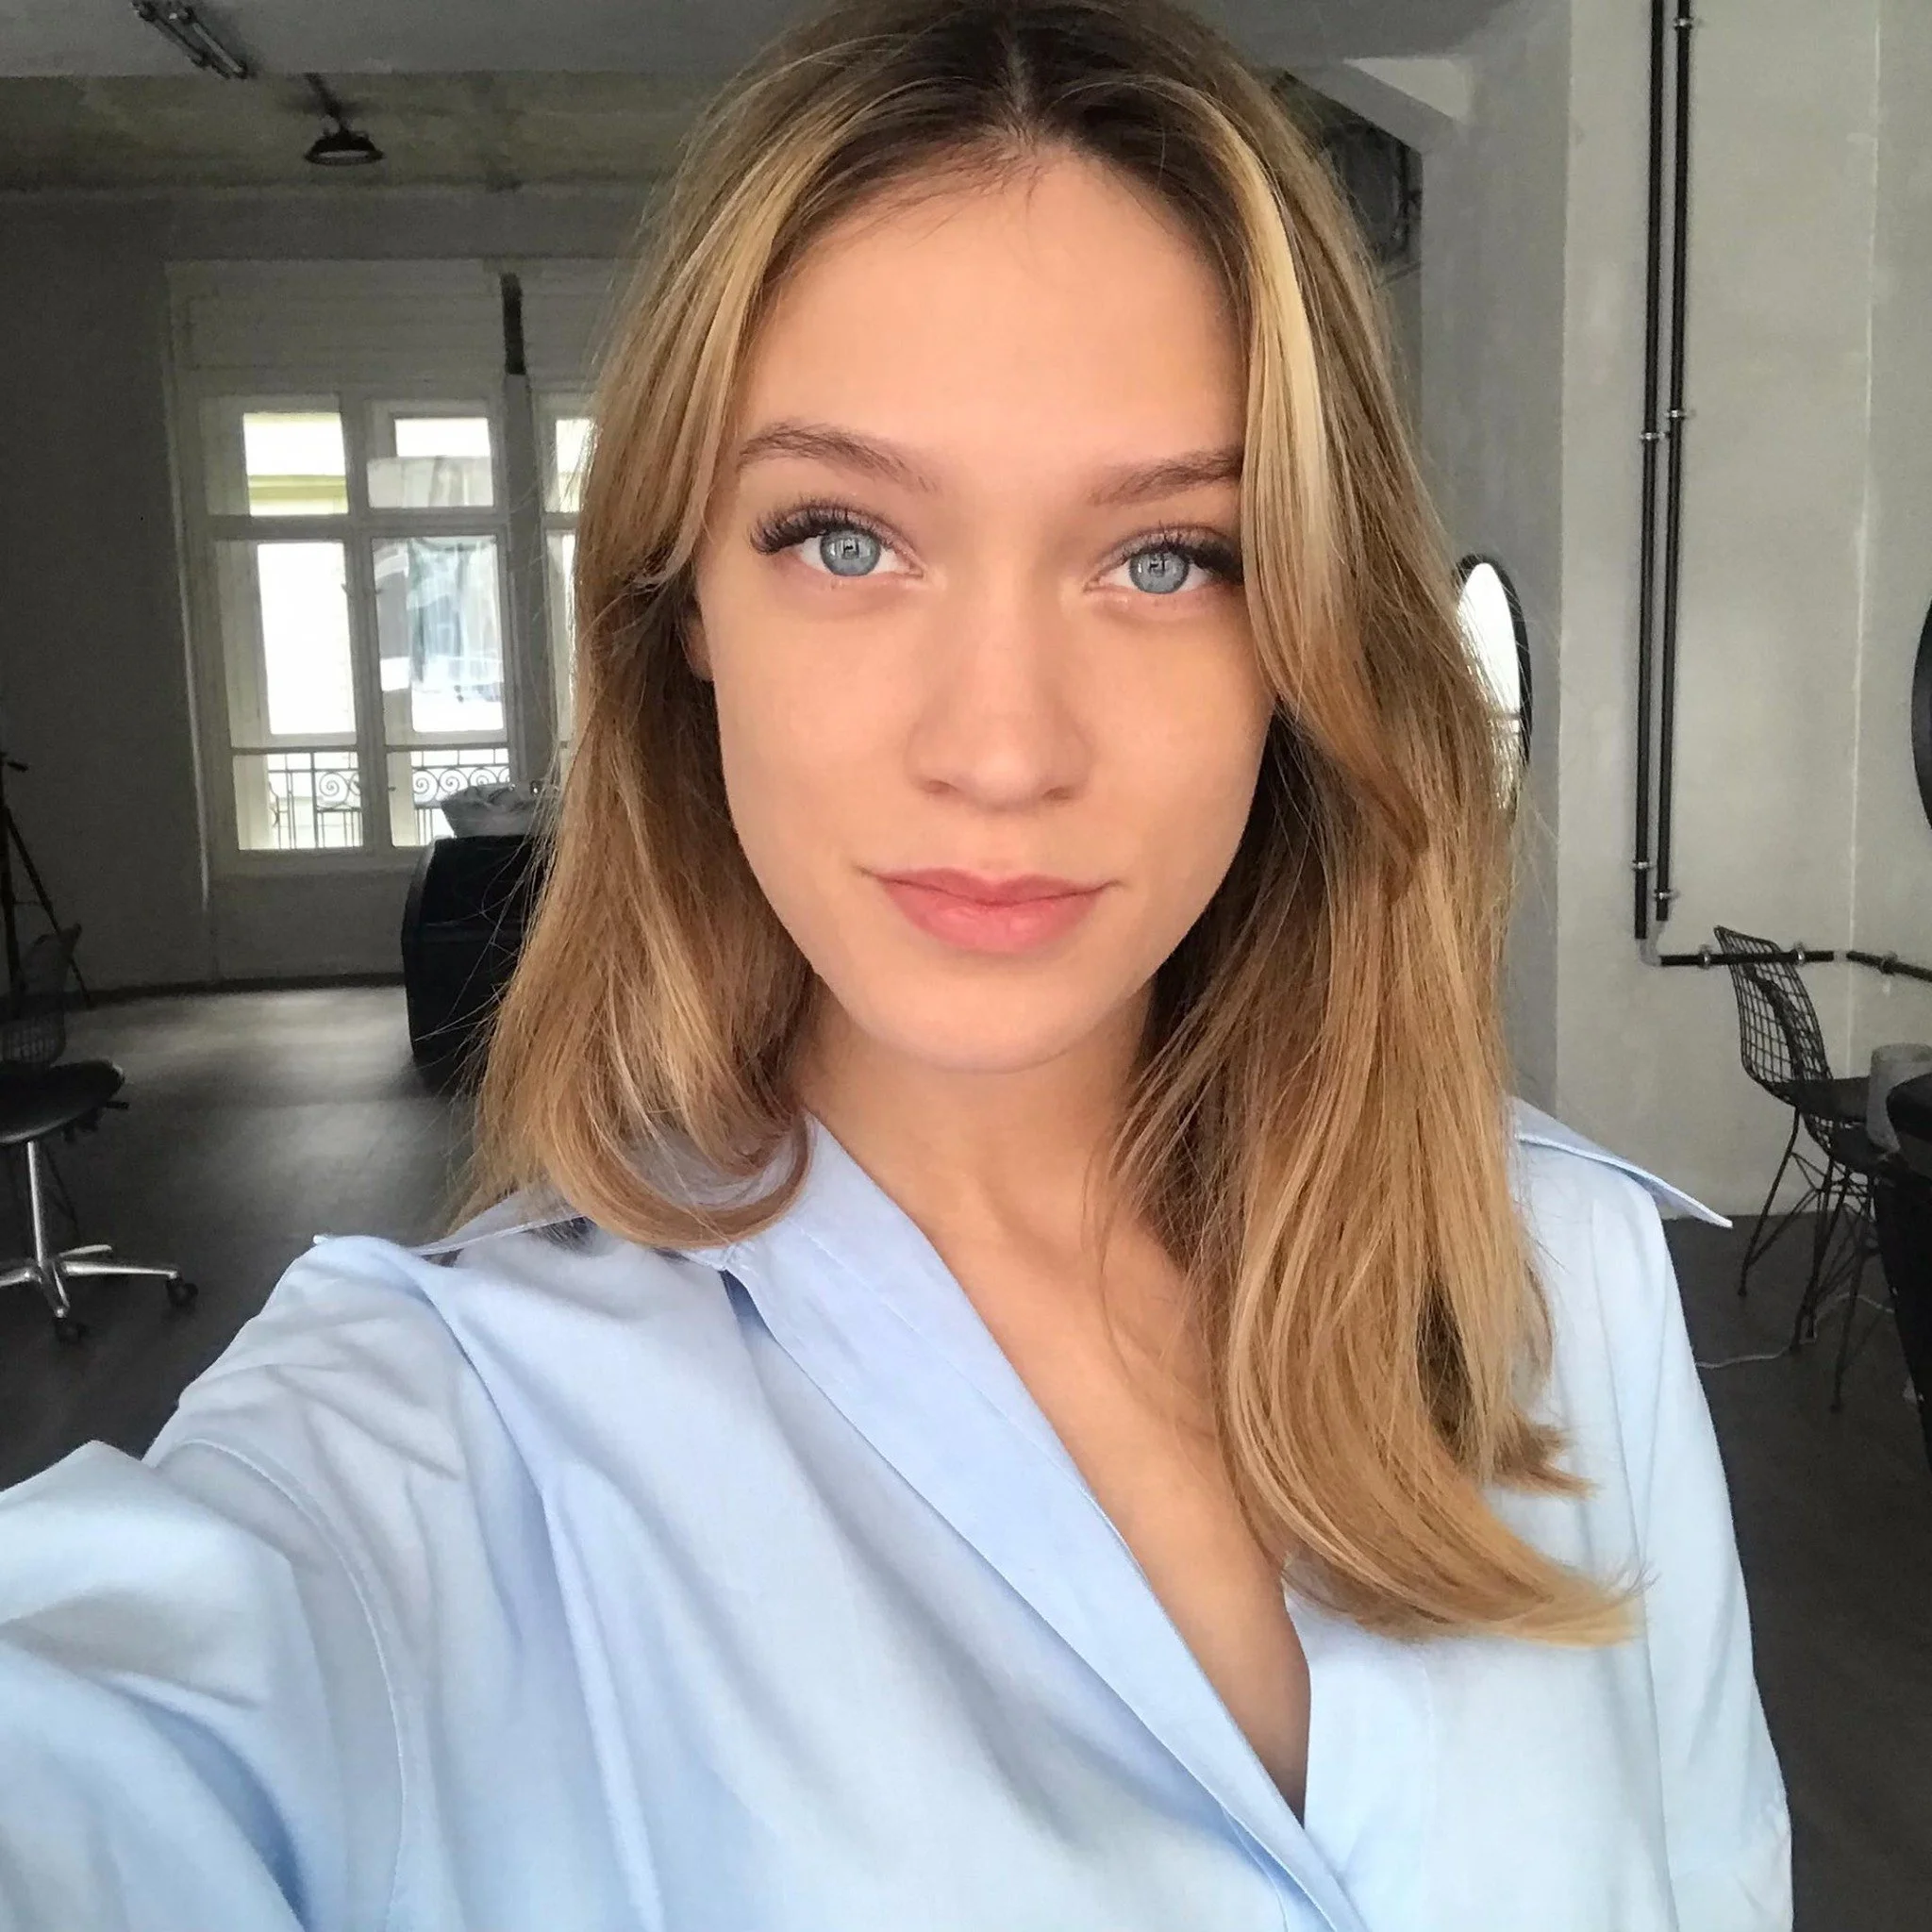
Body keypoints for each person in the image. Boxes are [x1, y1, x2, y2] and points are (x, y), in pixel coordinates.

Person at [0, 1, 1791, 1926]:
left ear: (1304, 632)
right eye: (845, 539)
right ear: (681, 600)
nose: (1002, 751)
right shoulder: (433, 1439)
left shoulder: (1564, 1277)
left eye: (1169, 556)